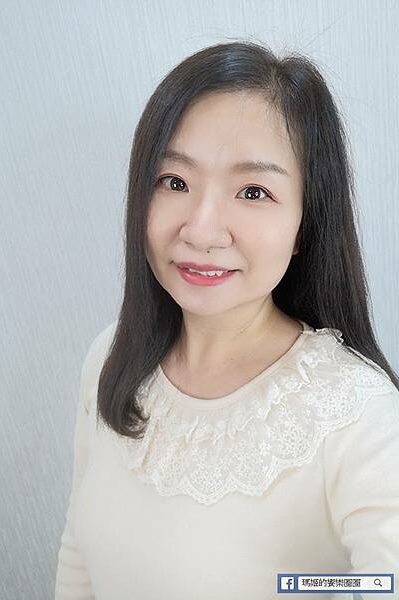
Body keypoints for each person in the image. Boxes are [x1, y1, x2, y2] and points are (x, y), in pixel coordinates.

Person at [55, 41, 399, 600]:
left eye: (253, 191)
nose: (201, 230)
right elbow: (78, 555)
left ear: (305, 223)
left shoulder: (358, 413)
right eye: (174, 181)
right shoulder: (112, 354)